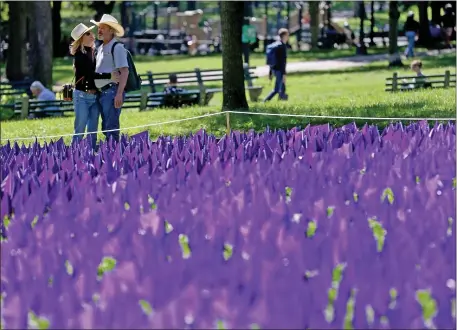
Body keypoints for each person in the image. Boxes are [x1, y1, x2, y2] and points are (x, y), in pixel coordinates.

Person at [90, 14, 129, 143]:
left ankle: (115, 155)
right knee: (106, 127)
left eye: (103, 28)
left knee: (111, 127)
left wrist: (119, 94)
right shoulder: (100, 48)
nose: (99, 30)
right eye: (99, 27)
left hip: (112, 92)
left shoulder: (117, 47)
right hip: (101, 94)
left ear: (111, 30)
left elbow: (124, 71)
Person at [69, 23, 100, 147]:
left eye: (91, 32)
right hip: (81, 96)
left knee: (93, 130)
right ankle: (74, 154)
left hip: (94, 96)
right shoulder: (80, 56)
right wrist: (110, 76)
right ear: (81, 38)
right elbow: (90, 74)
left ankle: (91, 154)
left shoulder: (94, 52)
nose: (92, 35)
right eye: (88, 33)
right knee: (80, 129)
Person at [263, 28, 289, 102]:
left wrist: (270, 71)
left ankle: (282, 99)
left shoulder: (276, 45)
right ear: (284, 36)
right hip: (279, 70)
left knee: (282, 85)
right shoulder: (282, 46)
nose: (288, 37)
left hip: (275, 69)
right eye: (287, 35)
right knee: (276, 89)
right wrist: (284, 73)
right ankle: (265, 101)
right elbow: (283, 61)